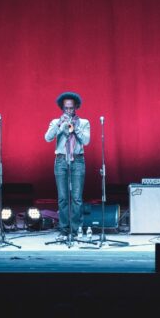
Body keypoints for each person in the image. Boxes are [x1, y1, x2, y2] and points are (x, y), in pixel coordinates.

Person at [45, 91, 91, 240]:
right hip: (61, 160)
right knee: (63, 198)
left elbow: (86, 141)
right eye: (66, 108)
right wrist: (59, 124)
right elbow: (47, 138)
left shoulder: (84, 122)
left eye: (71, 108)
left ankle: (76, 230)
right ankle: (64, 230)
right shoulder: (55, 122)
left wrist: (75, 128)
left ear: (76, 107)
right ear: (62, 108)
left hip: (77, 160)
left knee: (77, 198)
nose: (69, 111)